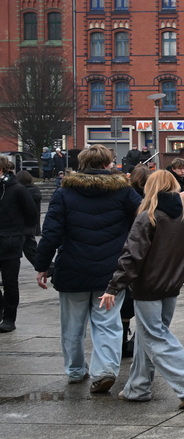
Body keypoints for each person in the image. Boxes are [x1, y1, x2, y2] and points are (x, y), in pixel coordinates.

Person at [99, 170, 184, 407]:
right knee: (148, 336)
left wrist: (114, 287)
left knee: (155, 336)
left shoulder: (148, 217)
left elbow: (132, 256)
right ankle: (137, 388)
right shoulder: (182, 216)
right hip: (171, 287)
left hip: (148, 287)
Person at [33, 144, 141, 390]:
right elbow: (143, 221)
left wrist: (42, 265)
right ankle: (104, 371)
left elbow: (51, 233)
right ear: (106, 164)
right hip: (110, 272)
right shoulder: (124, 192)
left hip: (72, 268)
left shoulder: (64, 193)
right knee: (108, 324)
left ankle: (74, 370)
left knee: (72, 325)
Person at [0, 156, 38, 332]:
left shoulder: (17, 190)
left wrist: (20, 232)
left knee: (10, 283)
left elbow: (31, 213)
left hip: (10, 242)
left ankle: (9, 318)